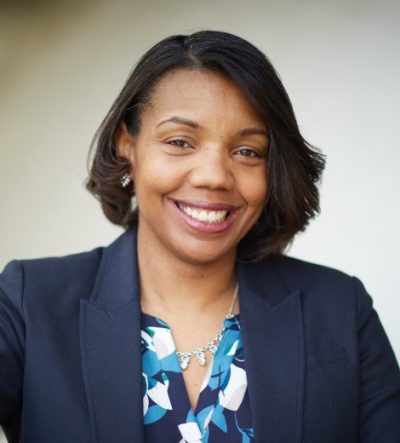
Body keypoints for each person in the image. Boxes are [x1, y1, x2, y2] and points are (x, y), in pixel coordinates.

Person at [0, 30, 399, 443]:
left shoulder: (339, 309)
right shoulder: (30, 303)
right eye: (180, 142)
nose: (213, 176)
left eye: (247, 151)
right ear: (127, 145)